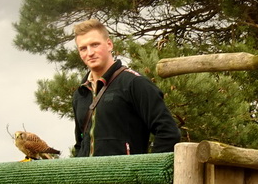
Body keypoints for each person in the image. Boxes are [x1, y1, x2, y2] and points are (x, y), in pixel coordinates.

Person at [70, 18, 181, 157]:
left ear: (109, 44)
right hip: (87, 177)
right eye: (83, 48)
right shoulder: (80, 94)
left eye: (95, 45)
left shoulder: (135, 83)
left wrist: (148, 173)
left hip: (127, 177)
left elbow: (168, 132)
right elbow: (80, 143)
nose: (90, 52)